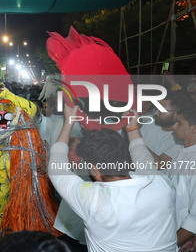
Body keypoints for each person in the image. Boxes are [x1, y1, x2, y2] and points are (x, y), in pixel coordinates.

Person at [48, 104, 177, 251]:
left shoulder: (95, 200)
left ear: (94, 170)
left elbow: (56, 167)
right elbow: (143, 157)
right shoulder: (161, 184)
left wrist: (68, 122)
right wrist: (132, 128)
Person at [169, 106, 196, 246]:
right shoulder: (182, 152)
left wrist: (168, 246)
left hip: (179, 236)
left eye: (179, 123)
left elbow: (195, 218)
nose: (173, 126)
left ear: (194, 128)